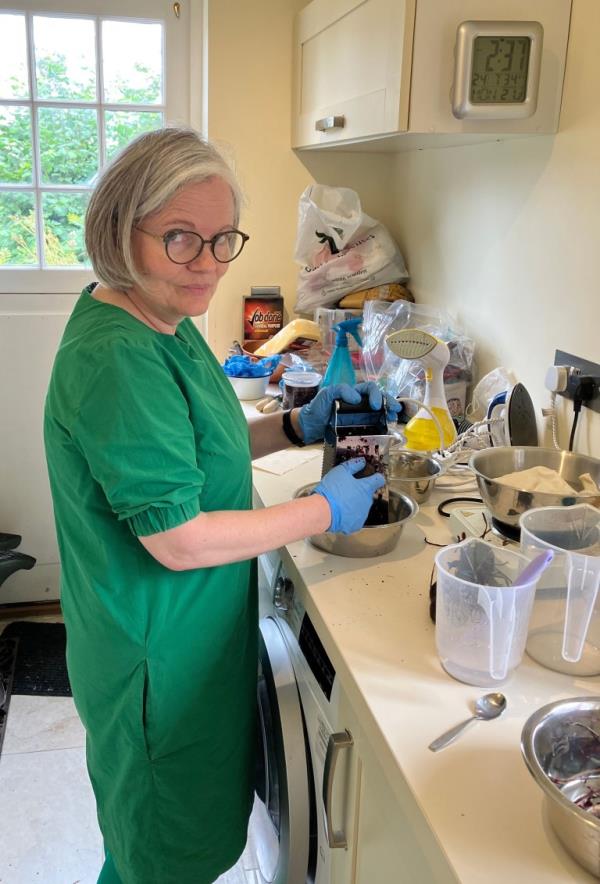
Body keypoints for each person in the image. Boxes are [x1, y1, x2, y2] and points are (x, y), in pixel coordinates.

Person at [43, 127, 398, 884]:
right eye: (179, 238)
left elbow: (202, 450)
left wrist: (297, 424)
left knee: (158, 841)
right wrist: (325, 510)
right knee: (160, 854)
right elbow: (178, 538)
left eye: (220, 239)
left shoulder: (162, 322)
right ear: (119, 230)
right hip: (156, 657)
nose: (207, 263)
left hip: (190, 637)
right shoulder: (117, 357)